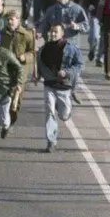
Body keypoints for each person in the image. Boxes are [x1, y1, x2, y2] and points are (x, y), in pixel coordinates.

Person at [37, 23, 84, 152]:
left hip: (64, 87)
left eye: (55, 32)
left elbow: (80, 65)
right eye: (51, 31)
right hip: (49, 85)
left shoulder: (71, 49)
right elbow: (40, 64)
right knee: (49, 112)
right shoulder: (43, 49)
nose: (52, 34)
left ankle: (66, 107)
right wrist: (37, 76)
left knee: (63, 116)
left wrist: (67, 72)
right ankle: (51, 141)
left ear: (62, 33)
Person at [0, 10, 36, 128]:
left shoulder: (26, 35)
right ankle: (4, 121)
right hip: (5, 72)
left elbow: (33, 52)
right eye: (8, 19)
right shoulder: (1, 34)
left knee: (16, 102)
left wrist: (25, 56)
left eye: (12, 19)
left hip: (20, 74)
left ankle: (11, 118)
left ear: (18, 20)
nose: (10, 22)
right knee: (4, 99)